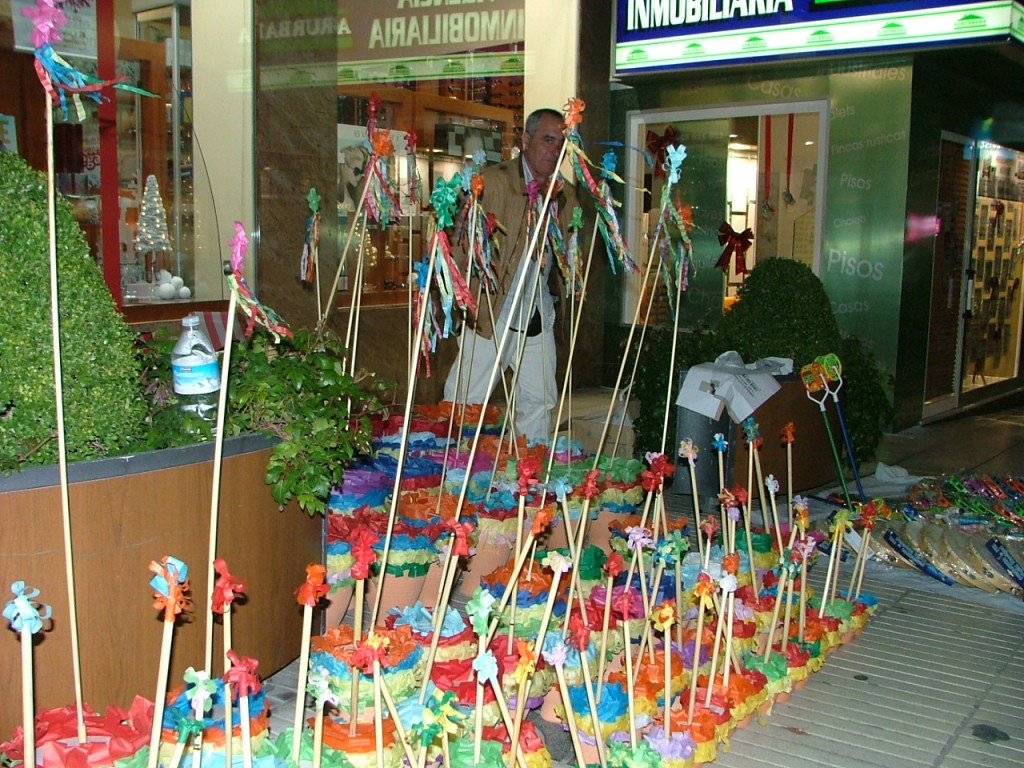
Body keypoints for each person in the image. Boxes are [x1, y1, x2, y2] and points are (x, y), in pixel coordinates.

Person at [443, 108, 579, 442]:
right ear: (526, 139)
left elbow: (568, 252)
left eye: (561, 143)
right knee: (466, 400)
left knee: (540, 400)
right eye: (548, 140)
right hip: (492, 311)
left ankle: (529, 466)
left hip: (537, 312)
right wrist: (461, 295)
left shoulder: (565, 193)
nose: (554, 150)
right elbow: (459, 241)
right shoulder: (494, 181)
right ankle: (451, 463)